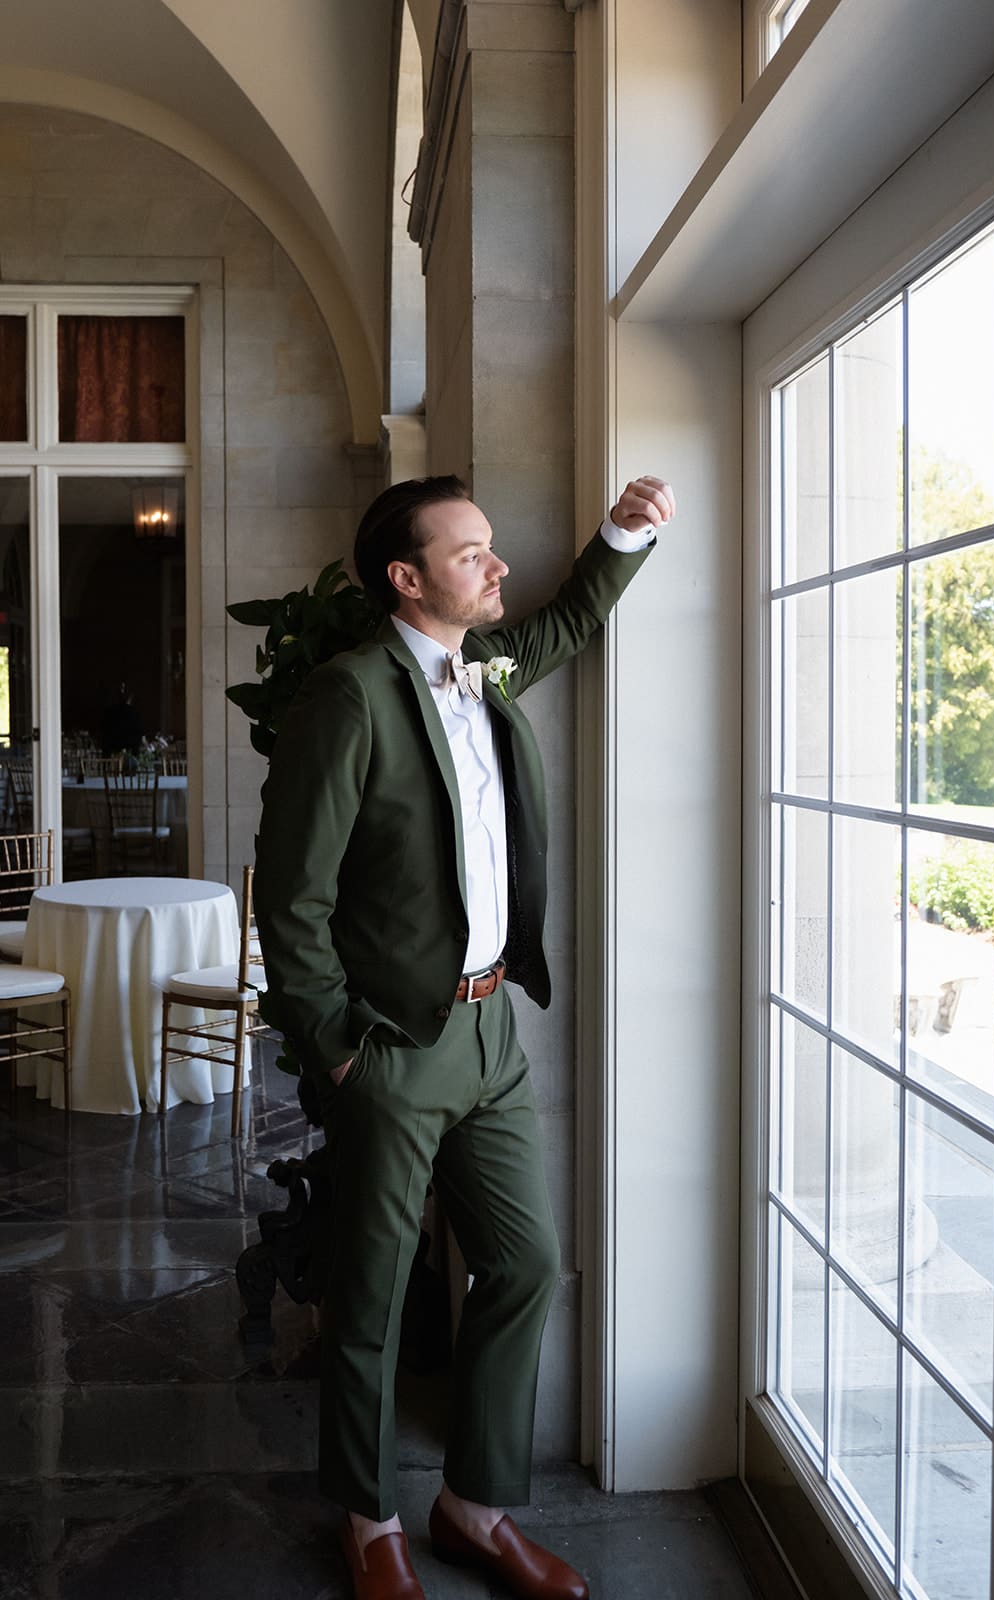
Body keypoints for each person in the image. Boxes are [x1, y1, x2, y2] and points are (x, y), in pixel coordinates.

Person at [254, 472, 676, 1600]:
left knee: (528, 1260)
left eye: (491, 548)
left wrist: (623, 532)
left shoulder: (482, 667)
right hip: (392, 1046)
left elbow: (568, 618)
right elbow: (289, 900)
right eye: (471, 551)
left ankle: (470, 1509)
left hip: (493, 1036)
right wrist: (341, 1043)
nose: (496, 566)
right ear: (406, 577)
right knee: (378, 1291)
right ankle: (367, 1517)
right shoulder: (349, 698)